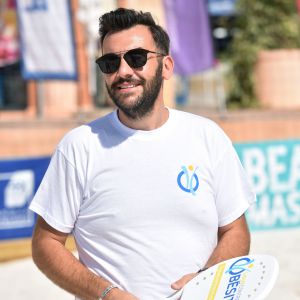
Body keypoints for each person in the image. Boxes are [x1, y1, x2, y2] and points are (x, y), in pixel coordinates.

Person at [30, 8, 256, 300]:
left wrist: (205, 282)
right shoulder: (80, 147)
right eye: (110, 62)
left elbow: (235, 230)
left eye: (136, 58)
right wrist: (106, 294)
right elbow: (46, 243)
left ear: (166, 66)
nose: (123, 71)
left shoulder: (207, 137)